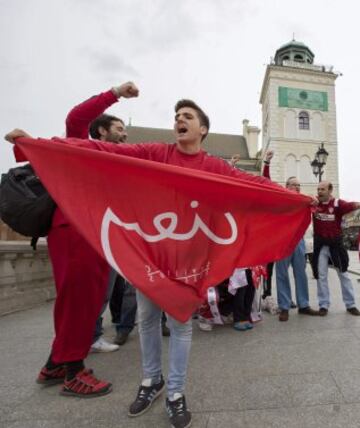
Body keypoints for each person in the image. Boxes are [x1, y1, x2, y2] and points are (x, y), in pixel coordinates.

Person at [5, 92, 303, 428]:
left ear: (203, 129)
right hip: (153, 255)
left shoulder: (215, 166)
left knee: (180, 325)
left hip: (189, 259)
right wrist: (35, 144)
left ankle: (175, 392)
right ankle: (151, 381)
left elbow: (254, 186)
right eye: (177, 116)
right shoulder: (156, 152)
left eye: (188, 116)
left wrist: (296, 199)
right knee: (147, 320)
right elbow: (101, 149)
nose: (179, 120)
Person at [9, 82, 139, 398]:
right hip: (75, 230)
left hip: (93, 234)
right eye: (118, 128)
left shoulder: (114, 161)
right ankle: (73, 372)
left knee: (85, 301)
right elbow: (76, 118)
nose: (124, 133)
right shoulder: (81, 146)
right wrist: (115, 93)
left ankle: (54, 364)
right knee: (80, 302)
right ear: (101, 132)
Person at [312, 181, 360, 316]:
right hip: (320, 245)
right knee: (321, 276)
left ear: (330, 190)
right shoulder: (314, 203)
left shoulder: (338, 204)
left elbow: (353, 205)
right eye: (318, 189)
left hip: (336, 245)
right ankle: (323, 305)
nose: (319, 192)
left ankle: (350, 304)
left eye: (322, 189)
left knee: (343, 274)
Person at [276, 177, 319, 321]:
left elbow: (314, 204)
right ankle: (285, 306)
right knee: (282, 274)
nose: (297, 187)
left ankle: (304, 305)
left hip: (298, 241)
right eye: (294, 184)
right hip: (283, 242)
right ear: (286, 186)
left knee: (301, 273)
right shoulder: (281, 199)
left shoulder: (302, 200)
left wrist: (314, 200)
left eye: (298, 185)